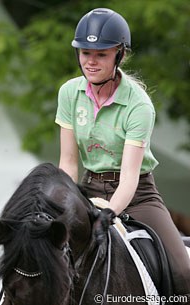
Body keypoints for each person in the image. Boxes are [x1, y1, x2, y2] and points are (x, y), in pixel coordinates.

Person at [55, 7, 190, 302]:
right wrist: (64, 206)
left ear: (119, 54)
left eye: (101, 54)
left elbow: (129, 176)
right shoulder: (68, 93)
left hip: (138, 193)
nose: (90, 61)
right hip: (88, 188)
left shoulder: (139, 105)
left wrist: (107, 215)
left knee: (184, 272)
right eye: (84, 52)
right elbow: (68, 163)